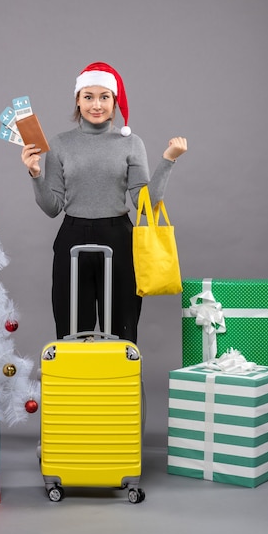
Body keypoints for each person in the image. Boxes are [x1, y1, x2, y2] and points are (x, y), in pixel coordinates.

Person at [21, 61, 187, 342]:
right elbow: (52, 208)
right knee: (71, 328)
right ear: (78, 100)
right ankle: (75, 384)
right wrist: (35, 174)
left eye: (104, 97)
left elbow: (144, 202)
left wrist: (168, 160)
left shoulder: (131, 143)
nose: (96, 105)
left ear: (115, 101)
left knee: (121, 328)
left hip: (119, 238)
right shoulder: (60, 143)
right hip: (72, 236)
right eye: (88, 97)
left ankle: (118, 384)